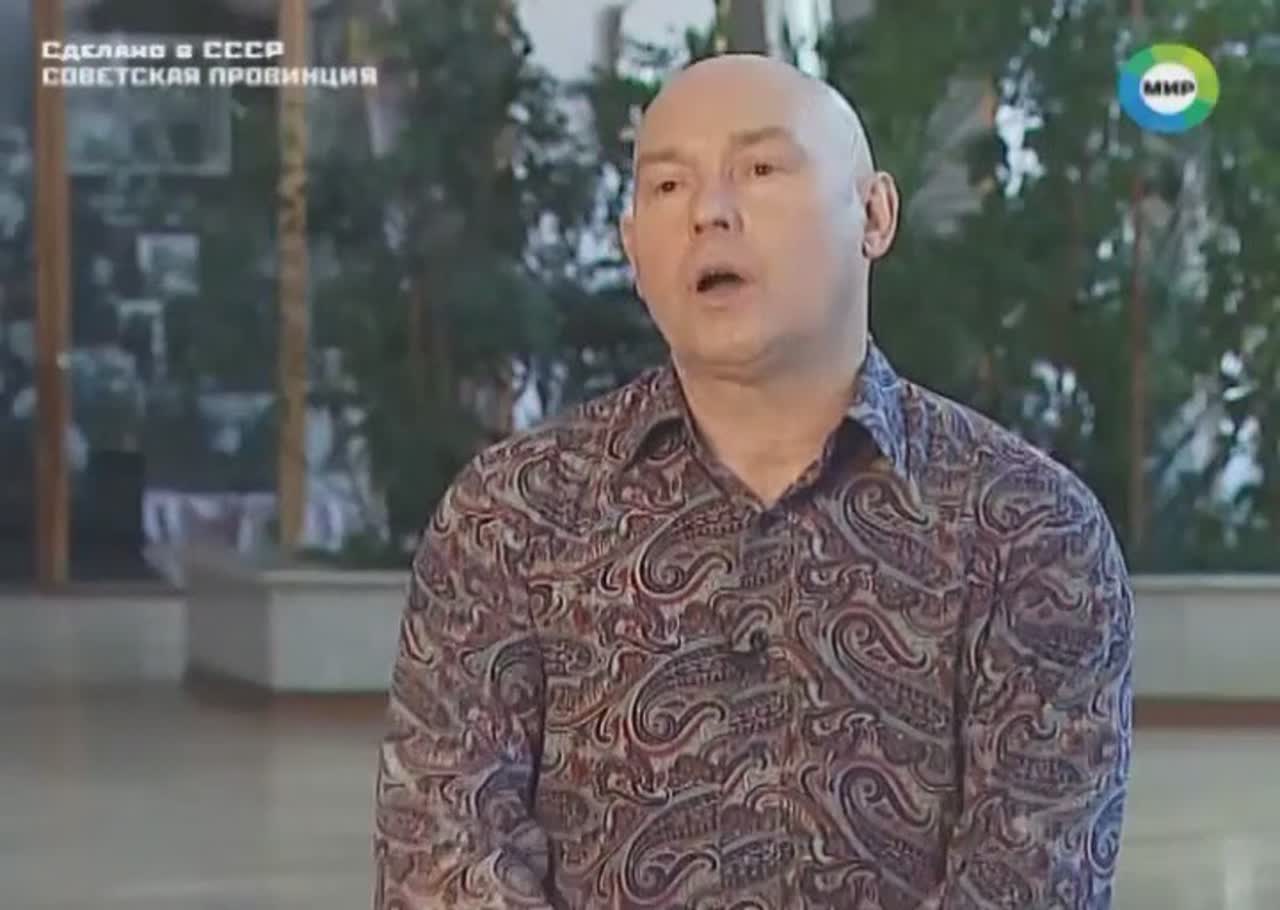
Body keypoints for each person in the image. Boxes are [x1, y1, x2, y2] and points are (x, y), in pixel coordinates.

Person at [373, 54, 1134, 909]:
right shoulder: (512, 512)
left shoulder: (1030, 528)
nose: (709, 212)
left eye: (761, 169)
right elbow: (444, 851)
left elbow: (1031, 876)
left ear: (874, 214)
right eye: (668, 186)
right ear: (631, 246)